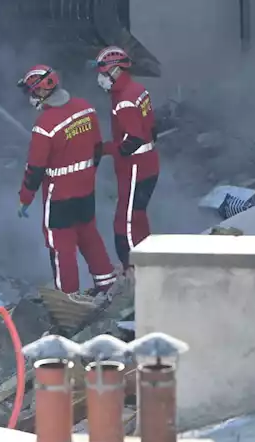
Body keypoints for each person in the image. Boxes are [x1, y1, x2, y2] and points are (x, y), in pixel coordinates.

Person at [16, 65, 119, 305]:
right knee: (88, 234)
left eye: (32, 93)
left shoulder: (45, 125)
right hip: (85, 190)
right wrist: (85, 175)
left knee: (61, 247)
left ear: (41, 92)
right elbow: (97, 149)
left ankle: (68, 301)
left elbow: (35, 169)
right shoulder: (86, 109)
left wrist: (25, 198)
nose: (30, 99)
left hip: (59, 196)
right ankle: (107, 285)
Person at [95, 46, 160, 273]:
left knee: (126, 224)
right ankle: (151, 264)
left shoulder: (124, 101)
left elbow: (132, 140)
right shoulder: (139, 90)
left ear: (116, 71)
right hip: (149, 164)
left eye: (104, 73)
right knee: (139, 218)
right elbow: (152, 129)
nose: (100, 78)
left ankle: (134, 272)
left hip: (135, 168)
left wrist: (104, 150)